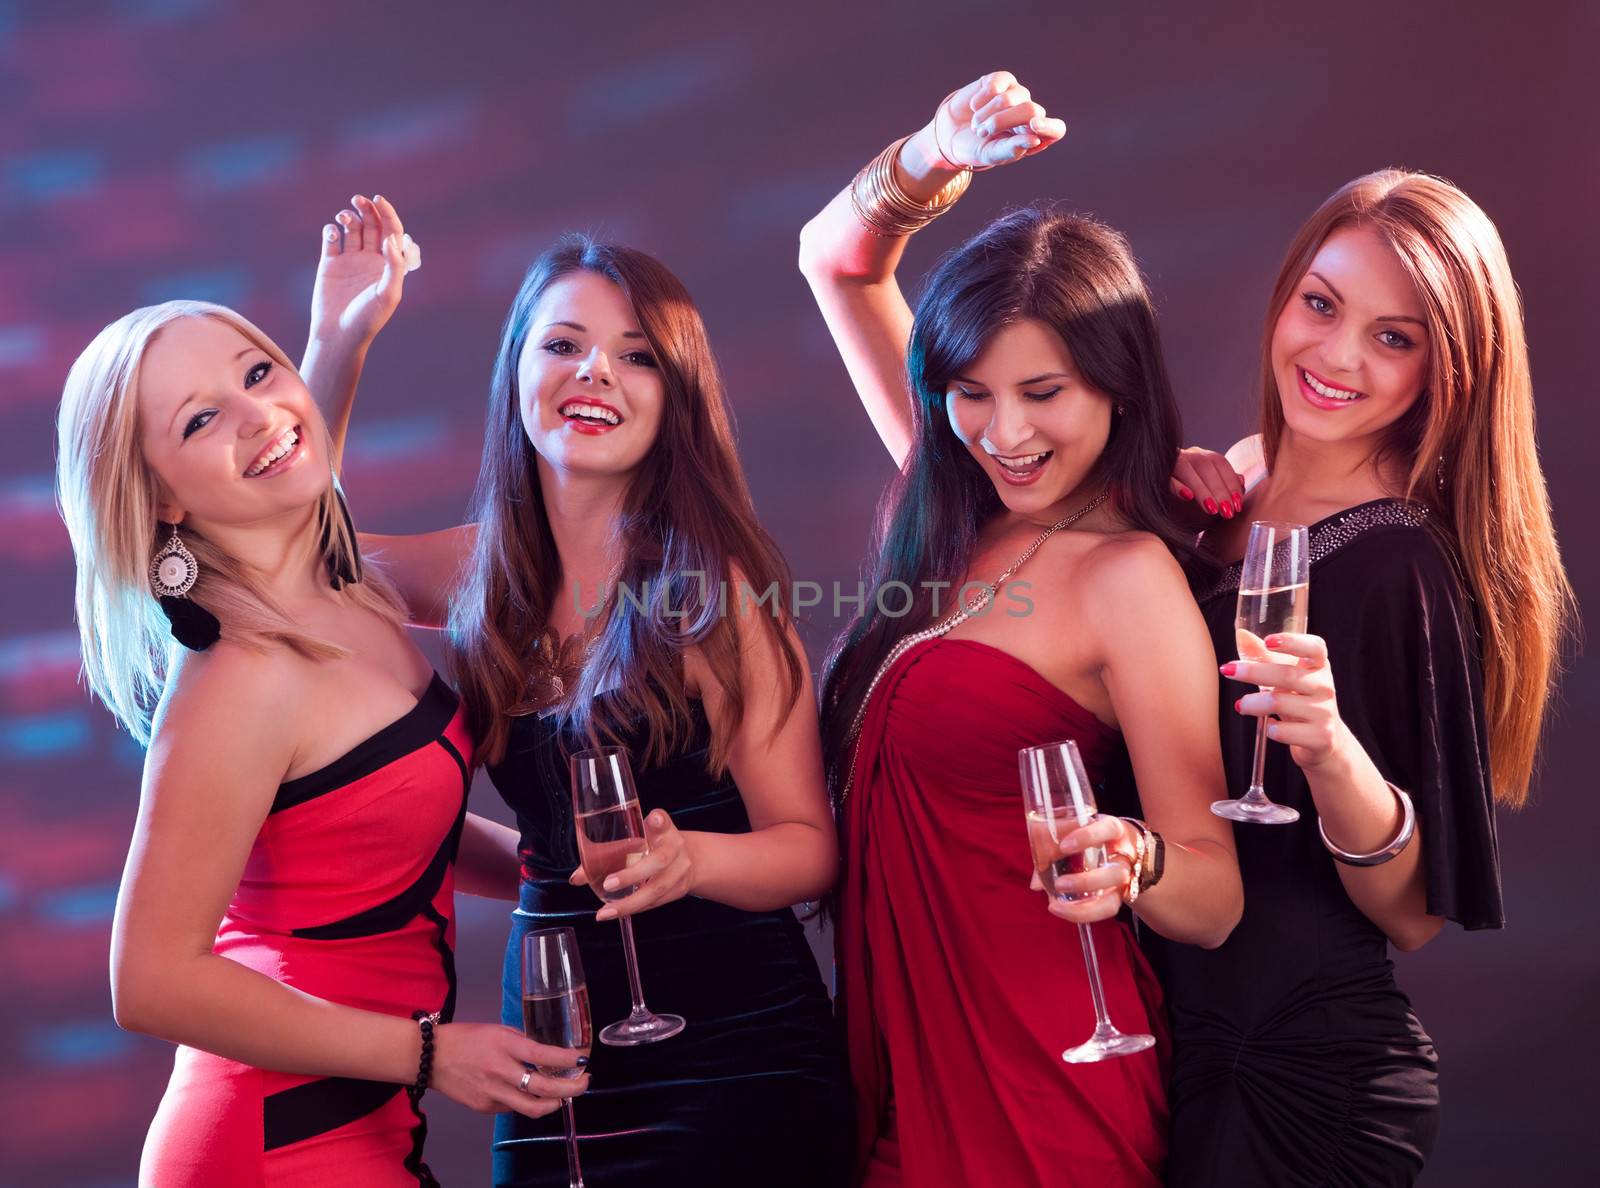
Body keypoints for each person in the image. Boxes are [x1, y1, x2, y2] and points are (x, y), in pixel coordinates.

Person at [56, 197, 585, 1188]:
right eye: (200, 418)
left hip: (352, 1123)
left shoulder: (341, 583)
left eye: (259, 373)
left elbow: (371, 822)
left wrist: (551, 869)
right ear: (162, 495)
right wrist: (430, 1053)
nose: (257, 413)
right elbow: (148, 980)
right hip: (273, 1139)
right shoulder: (237, 682)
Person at [316, 226, 853, 1187]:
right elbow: (293, 560)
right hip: (556, 1051)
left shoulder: (715, 595)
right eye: (562, 345)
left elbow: (809, 845)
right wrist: (340, 344)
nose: (595, 373)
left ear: (674, 397)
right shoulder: (478, 574)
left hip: (737, 1053)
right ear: (517, 370)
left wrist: (694, 859)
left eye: (637, 356)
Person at [799, 74, 1243, 1186]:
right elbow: (834, 258)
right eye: (968, 391)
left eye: (1043, 392)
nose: (1004, 432)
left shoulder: (1128, 576)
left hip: (1043, 1068)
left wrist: (1132, 855)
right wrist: (938, 152)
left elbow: (1212, 889)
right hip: (893, 1061)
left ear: (1118, 389)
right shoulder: (944, 500)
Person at [1155, 168, 1576, 1186]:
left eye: (1394, 337)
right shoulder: (1236, 478)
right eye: (1321, 303)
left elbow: (1413, 915)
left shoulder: (1398, 562)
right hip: (1171, 1045)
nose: (1336, 355)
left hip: (1294, 1077)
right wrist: (1151, 508)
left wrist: (1329, 745)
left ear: (1447, 372)